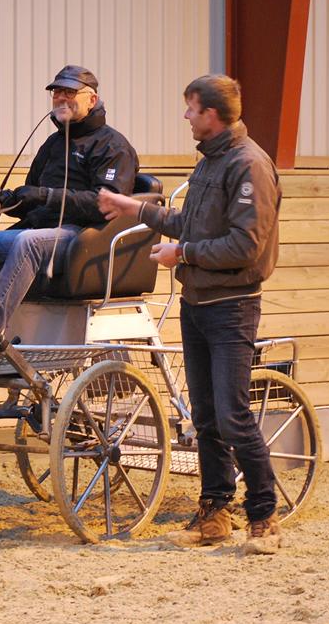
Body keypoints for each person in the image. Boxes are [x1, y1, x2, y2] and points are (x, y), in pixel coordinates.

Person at [98, 74, 283, 554]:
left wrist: (184, 255)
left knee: (233, 415)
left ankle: (263, 517)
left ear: (212, 114)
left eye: (191, 109)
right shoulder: (210, 164)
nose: (185, 117)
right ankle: (215, 514)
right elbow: (186, 222)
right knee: (204, 417)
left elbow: (246, 244)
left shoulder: (249, 166)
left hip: (232, 306)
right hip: (197, 303)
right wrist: (131, 206)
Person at [0, 64, 138, 336]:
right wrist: (10, 200)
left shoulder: (113, 146)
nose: (61, 98)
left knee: (28, 242)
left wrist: (45, 195)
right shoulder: (53, 144)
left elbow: (107, 203)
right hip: (40, 232)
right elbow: (34, 196)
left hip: (83, 237)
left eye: (69, 92)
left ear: (92, 99)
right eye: (56, 92)